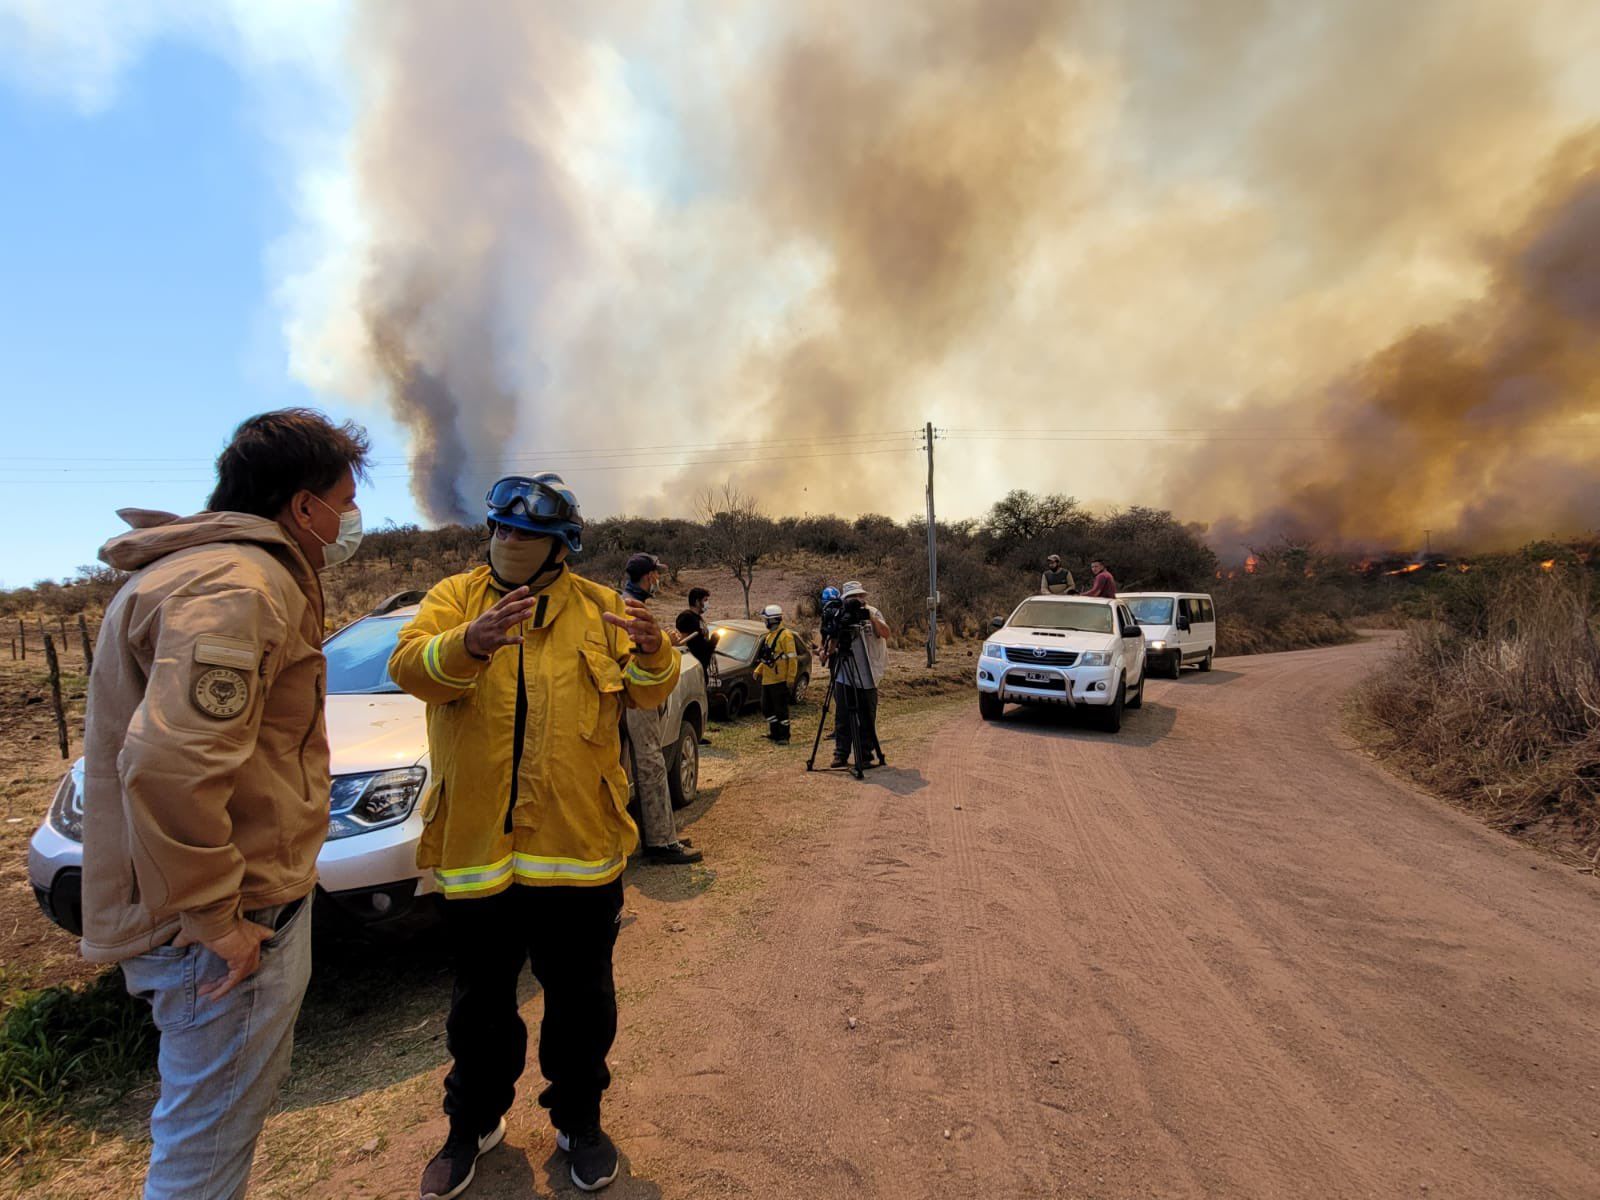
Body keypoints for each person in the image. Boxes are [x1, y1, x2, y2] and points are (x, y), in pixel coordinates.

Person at [80, 408, 370, 1200]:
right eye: (344, 502)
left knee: (204, 1133)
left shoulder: (195, 572)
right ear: (302, 506)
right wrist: (215, 917)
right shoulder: (238, 586)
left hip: (195, 904)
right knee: (204, 1154)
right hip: (223, 921)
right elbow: (173, 762)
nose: (349, 522)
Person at [390, 475, 681, 1198]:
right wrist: (469, 642)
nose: (509, 544)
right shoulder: (453, 599)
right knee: (478, 1006)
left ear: (563, 547)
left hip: (579, 852)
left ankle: (579, 1122)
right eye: (501, 530)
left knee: (582, 1002)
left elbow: (650, 690)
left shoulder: (606, 607)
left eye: (526, 536)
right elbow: (409, 667)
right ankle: (472, 1127)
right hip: (478, 855)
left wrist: (653, 651)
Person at [621, 553, 703, 867]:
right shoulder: (630, 606)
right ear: (648, 576)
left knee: (649, 762)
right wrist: (665, 644)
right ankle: (660, 843)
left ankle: (660, 834)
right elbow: (634, 652)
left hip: (637, 695)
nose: (659, 580)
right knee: (651, 763)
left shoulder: (628, 602)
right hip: (637, 699)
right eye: (656, 575)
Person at [829, 581, 891, 771]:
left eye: (859, 596)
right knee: (843, 716)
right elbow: (832, 643)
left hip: (869, 673)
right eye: (852, 598)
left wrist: (871, 617)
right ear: (845, 600)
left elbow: (886, 633)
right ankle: (841, 754)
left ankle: (865, 755)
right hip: (846, 672)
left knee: (867, 716)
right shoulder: (841, 614)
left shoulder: (872, 611)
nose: (857, 600)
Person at [755, 603, 799, 744]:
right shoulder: (770, 636)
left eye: (766, 619)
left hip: (779, 679)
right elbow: (769, 658)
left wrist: (790, 678)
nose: (765, 622)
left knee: (781, 710)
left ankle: (784, 736)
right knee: (766, 707)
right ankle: (774, 733)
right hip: (768, 680)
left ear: (772, 620)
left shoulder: (786, 636)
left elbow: (792, 658)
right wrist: (758, 670)